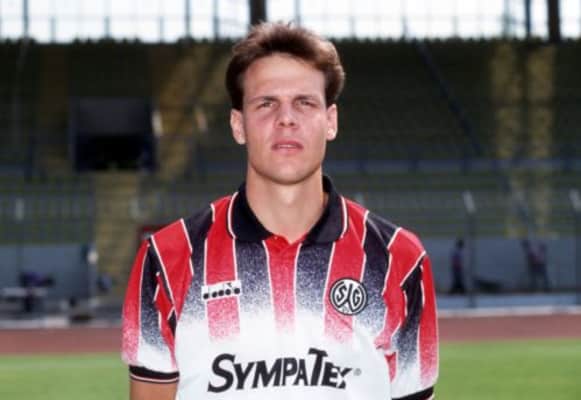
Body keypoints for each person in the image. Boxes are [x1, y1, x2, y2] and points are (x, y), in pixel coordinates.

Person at [121, 22, 438, 400]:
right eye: (266, 103)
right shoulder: (167, 257)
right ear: (238, 125)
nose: (286, 118)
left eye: (305, 102)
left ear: (331, 121)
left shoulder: (399, 258)